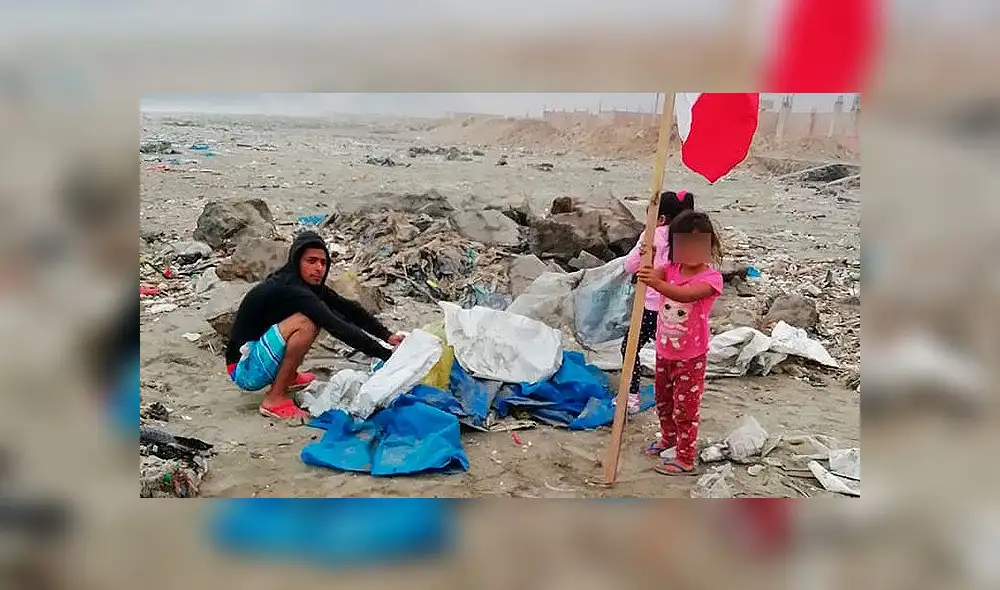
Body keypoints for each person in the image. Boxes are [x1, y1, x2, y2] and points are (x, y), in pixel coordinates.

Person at [226, 231, 405, 419]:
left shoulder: (306, 286)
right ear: (296, 261)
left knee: (312, 319)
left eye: (323, 262)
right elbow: (337, 326)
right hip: (243, 370)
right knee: (307, 323)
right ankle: (274, 399)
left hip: (255, 357)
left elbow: (348, 309)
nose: (319, 268)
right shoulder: (291, 287)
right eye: (311, 261)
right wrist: (385, 354)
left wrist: (387, 336)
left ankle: (288, 377)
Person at [637, 210, 723, 475]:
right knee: (663, 401)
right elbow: (648, 273)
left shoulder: (711, 279)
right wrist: (647, 253)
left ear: (710, 247)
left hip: (691, 357)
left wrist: (655, 283)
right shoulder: (670, 269)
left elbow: (684, 295)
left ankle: (685, 456)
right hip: (664, 352)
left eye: (699, 244)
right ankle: (669, 439)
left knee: (685, 407)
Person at [620, 190, 696, 413]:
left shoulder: (651, 236)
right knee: (675, 354)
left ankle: (631, 397)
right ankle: (680, 397)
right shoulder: (688, 237)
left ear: (660, 218)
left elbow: (629, 267)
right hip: (679, 308)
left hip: (651, 307)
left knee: (630, 348)